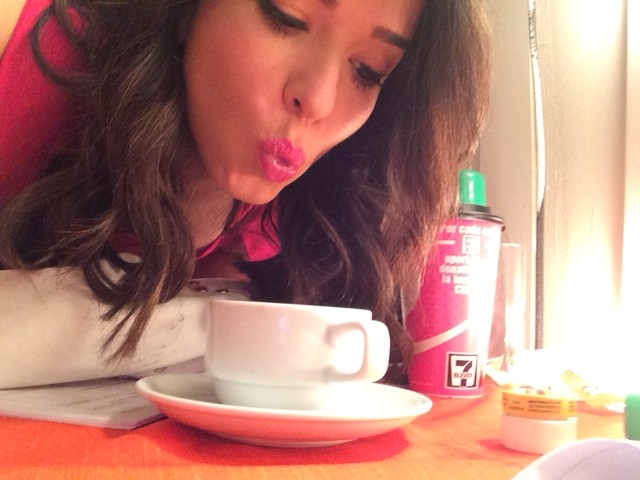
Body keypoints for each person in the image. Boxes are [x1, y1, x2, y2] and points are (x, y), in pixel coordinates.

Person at [0, 0, 491, 388]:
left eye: (367, 70)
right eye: (287, 17)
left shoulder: (282, 218)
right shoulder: (25, 45)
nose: (317, 99)